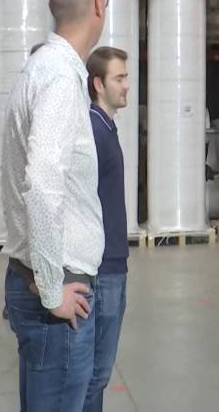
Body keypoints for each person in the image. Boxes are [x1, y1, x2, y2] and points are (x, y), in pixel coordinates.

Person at [1, 0, 108, 412]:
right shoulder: (61, 79)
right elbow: (43, 184)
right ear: (98, 3)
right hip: (57, 294)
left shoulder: (40, 69)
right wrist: (50, 290)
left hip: (36, 277)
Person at [83, 47, 131, 412]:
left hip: (113, 263)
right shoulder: (95, 133)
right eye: (119, 78)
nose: (127, 85)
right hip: (102, 269)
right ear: (98, 84)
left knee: (97, 373)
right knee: (95, 373)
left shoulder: (106, 127)